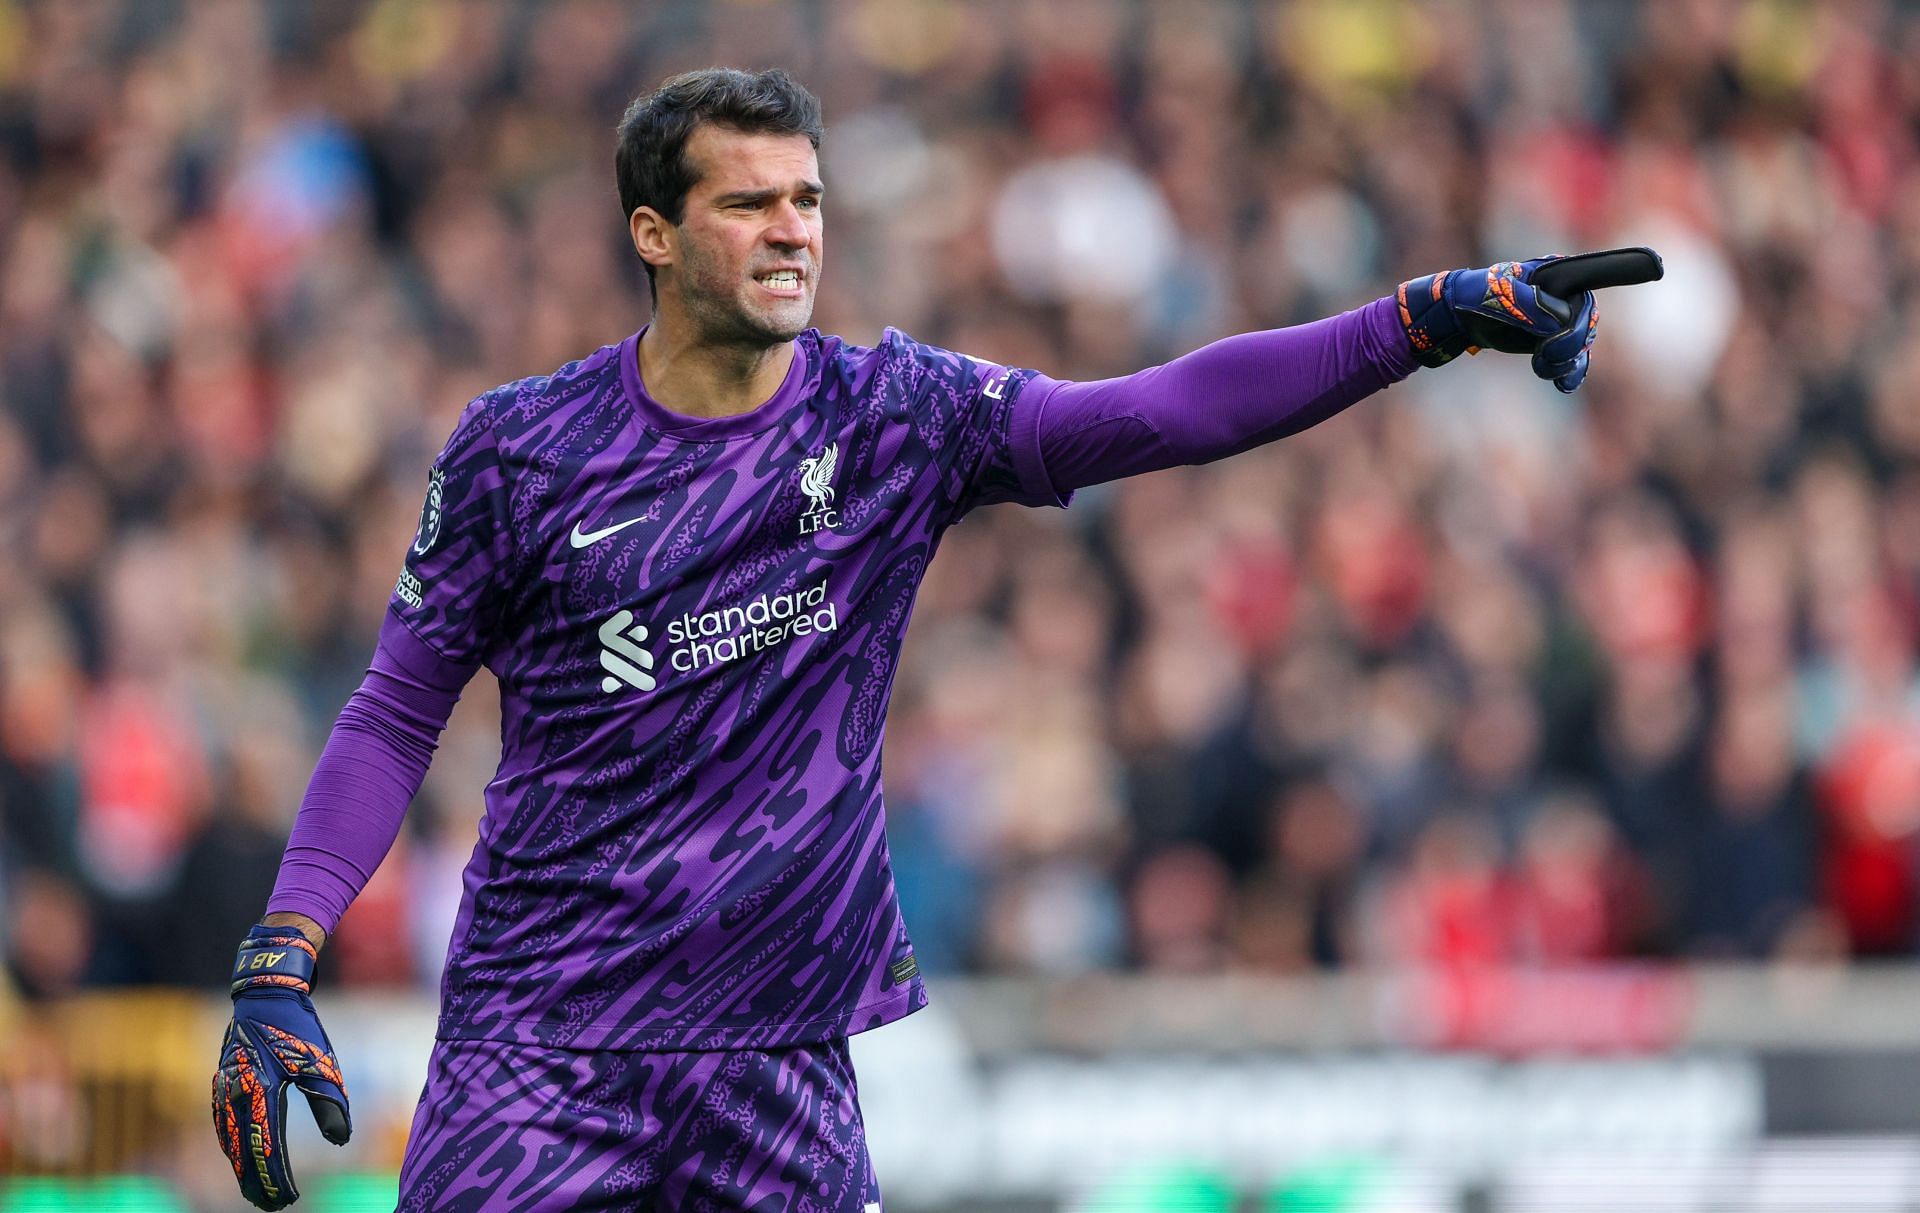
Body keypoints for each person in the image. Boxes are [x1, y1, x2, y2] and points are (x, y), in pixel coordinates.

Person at [210, 67, 1632, 1211]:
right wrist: (283, 953)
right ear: (653, 230)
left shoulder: (895, 416)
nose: (793, 231)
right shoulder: (521, 450)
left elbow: (1162, 409)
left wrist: (1417, 324)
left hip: (777, 1062)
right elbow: (396, 709)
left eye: (809, 201)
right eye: (749, 203)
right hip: (540, 1047)